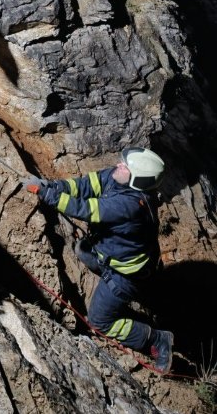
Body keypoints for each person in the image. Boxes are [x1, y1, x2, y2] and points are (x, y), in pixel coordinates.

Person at [24, 147, 174, 373]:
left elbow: (86, 209)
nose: (119, 165)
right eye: (123, 161)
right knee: (82, 250)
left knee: (99, 321)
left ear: (137, 180)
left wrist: (48, 195)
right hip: (111, 254)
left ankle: (156, 338)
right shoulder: (117, 177)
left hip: (125, 275)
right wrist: (57, 186)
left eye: (125, 166)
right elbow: (86, 185)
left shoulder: (130, 205)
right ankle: (106, 279)